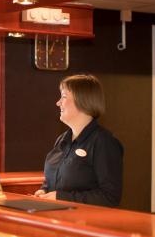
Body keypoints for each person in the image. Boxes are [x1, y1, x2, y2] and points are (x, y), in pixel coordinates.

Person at [34, 74, 123, 207]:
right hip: (57, 220)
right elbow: (53, 182)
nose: (58, 103)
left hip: (86, 224)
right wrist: (44, 191)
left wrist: (60, 197)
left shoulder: (104, 142)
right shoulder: (62, 139)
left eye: (63, 97)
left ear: (82, 100)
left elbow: (109, 197)